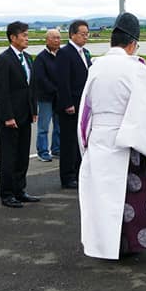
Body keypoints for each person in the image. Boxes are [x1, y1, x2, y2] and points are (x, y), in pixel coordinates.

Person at [77, 13, 146, 260]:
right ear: (132, 43)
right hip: (125, 140)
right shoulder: (135, 68)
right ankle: (130, 245)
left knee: (101, 198)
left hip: (99, 137)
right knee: (133, 197)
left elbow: (85, 108)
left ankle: (104, 246)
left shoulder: (96, 66)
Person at [0, 21, 39, 208]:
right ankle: (7, 193)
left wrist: (33, 110)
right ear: (13, 37)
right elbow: (1, 91)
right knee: (9, 156)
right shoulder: (4, 59)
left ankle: (20, 190)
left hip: (25, 114)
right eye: (24, 35)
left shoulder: (27, 58)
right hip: (10, 116)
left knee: (22, 155)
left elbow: (31, 87)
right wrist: (7, 116)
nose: (27, 38)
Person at [55, 19, 91, 189]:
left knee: (79, 141)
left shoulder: (84, 53)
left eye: (87, 34)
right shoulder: (65, 53)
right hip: (70, 105)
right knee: (68, 142)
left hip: (82, 104)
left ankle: (78, 172)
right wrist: (67, 103)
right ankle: (67, 176)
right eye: (82, 34)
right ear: (72, 34)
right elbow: (62, 81)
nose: (86, 37)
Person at [33, 28, 62, 162]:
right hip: (46, 97)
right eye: (54, 38)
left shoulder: (62, 55)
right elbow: (40, 78)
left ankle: (56, 148)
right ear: (47, 40)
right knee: (43, 126)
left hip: (60, 97)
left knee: (59, 125)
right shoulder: (41, 58)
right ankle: (43, 151)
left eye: (58, 38)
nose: (57, 40)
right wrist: (55, 89)